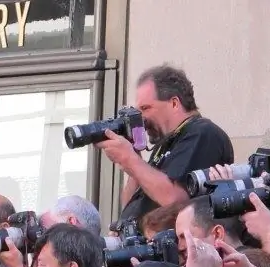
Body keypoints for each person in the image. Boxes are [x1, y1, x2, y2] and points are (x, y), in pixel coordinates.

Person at [96, 65, 234, 221]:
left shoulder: (202, 133)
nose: (141, 118)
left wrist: (130, 159)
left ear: (174, 103)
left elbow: (175, 201)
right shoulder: (164, 143)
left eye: (145, 108)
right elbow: (129, 207)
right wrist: (134, 158)